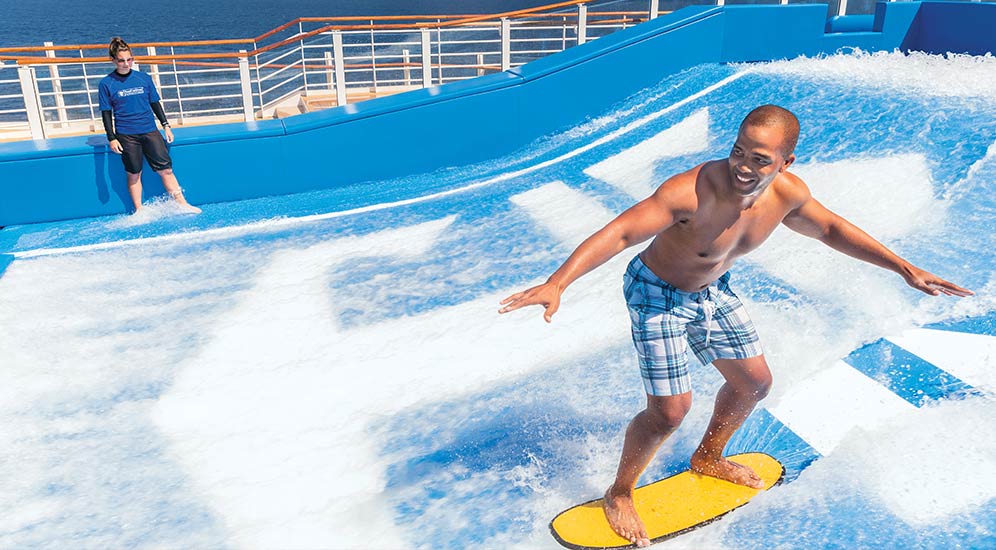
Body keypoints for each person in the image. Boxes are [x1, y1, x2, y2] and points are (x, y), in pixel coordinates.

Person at [498, 105, 972, 547]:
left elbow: (831, 229)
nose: (744, 166)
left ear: (785, 163)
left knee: (754, 384)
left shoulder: (787, 195)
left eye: (760, 159)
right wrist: (557, 282)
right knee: (669, 412)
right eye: (738, 151)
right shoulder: (689, 192)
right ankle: (619, 492)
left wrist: (904, 268)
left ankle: (708, 456)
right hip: (655, 294)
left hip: (711, 291)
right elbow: (621, 232)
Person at [99, 37, 200, 214]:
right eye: (121, 60)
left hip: (149, 130)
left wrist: (166, 125)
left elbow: (155, 103)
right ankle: (139, 210)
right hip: (126, 135)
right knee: (134, 173)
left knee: (166, 170)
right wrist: (111, 138)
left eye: (129, 59)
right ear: (113, 60)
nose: (126, 64)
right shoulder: (106, 83)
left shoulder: (143, 78)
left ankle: (182, 204)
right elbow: (106, 113)